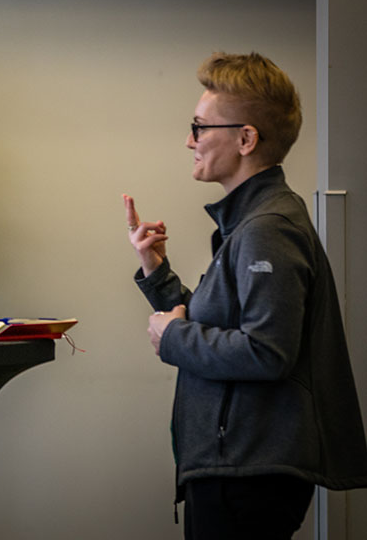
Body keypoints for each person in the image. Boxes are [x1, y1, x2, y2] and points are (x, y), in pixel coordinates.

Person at [123, 52, 367, 539]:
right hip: (239, 465)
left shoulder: (267, 228)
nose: (189, 140)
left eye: (200, 127)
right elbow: (227, 326)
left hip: (247, 470)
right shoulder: (256, 222)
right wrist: (157, 273)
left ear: (246, 138)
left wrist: (172, 339)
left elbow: (266, 350)